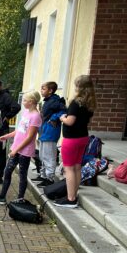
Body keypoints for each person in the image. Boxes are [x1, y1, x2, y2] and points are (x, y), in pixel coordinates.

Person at [0, 91, 42, 205]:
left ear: (32, 101)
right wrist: (7, 136)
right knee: (7, 172)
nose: (23, 102)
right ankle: (2, 197)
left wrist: (16, 150)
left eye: (25, 100)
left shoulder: (35, 116)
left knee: (22, 174)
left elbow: (29, 137)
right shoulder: (26, 112)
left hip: (25, 151)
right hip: (16, 148)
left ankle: (20, 198)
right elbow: (20, 130)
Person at [54, 75, 96, 208]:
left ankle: (71, 198)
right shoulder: (90, 103)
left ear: (79, 86)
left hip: (71, 139)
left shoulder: (76, 103)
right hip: (83, 137)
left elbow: (70, 121)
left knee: (69, 169)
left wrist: (62, 118)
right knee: (77, 167)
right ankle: (73, 194)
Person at [34, 81, 66, 187]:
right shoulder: (48, 101)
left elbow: (64, 111)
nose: (41, 90)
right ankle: (43, 175)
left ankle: (50, 178)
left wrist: (54, 118)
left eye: (43, 89)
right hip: (44, 132)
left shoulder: (56, 101)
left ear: (50, 90)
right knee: (42, 155)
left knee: (49, 156)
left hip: (50, 132)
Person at [0, 78, 21, 183]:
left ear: (0, 86)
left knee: (0, 153)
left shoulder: (5, 96)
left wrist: (7, 117)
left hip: (2, 129)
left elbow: (16, 107)